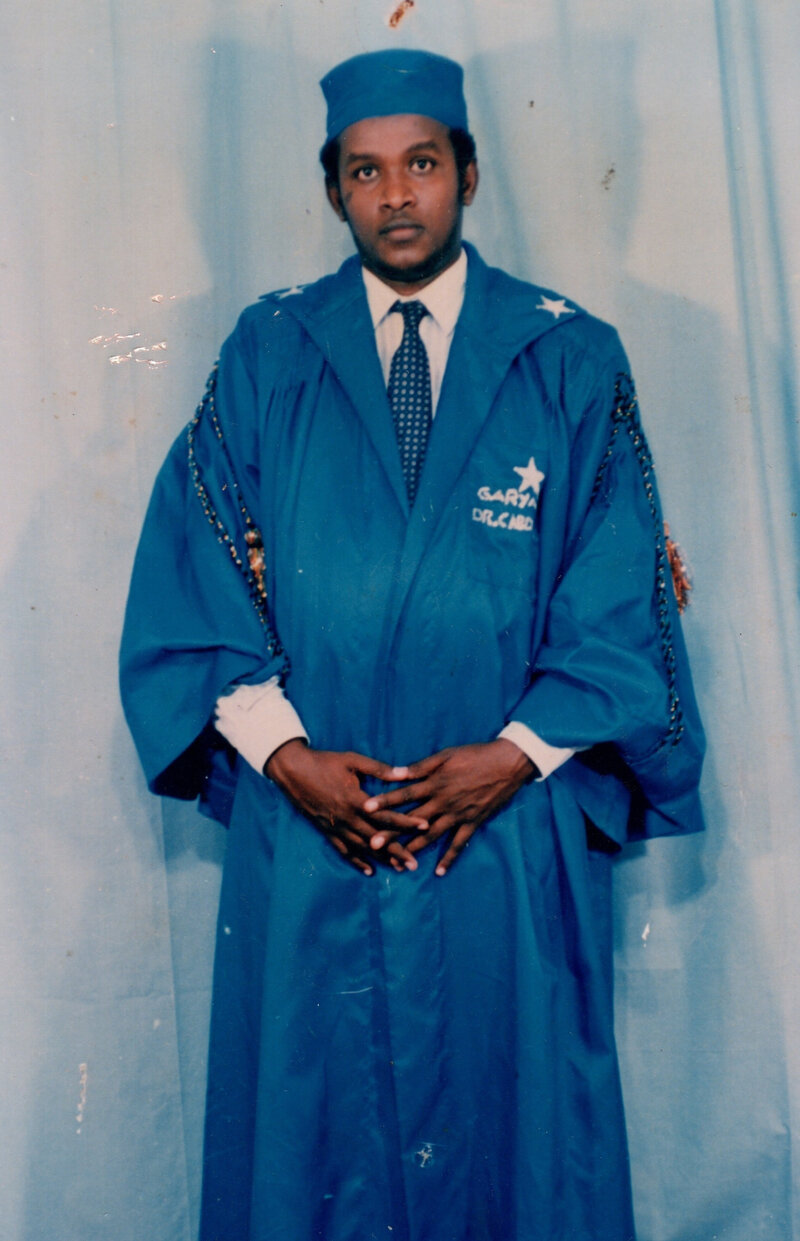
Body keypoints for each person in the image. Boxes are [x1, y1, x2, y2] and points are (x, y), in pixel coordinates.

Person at [120, 48, 705, 1241]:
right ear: (331, 188)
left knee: (521, 1134)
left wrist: (517, 752)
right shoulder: (267, 352)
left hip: (505, 828)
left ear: (469, 174)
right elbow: (196, 573)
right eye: (365, 170)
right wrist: (287, 761)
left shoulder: (566, 356)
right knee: (310, 1134)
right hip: (315, 831)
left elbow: (618, 582)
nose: (396, 195)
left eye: (421, 164)